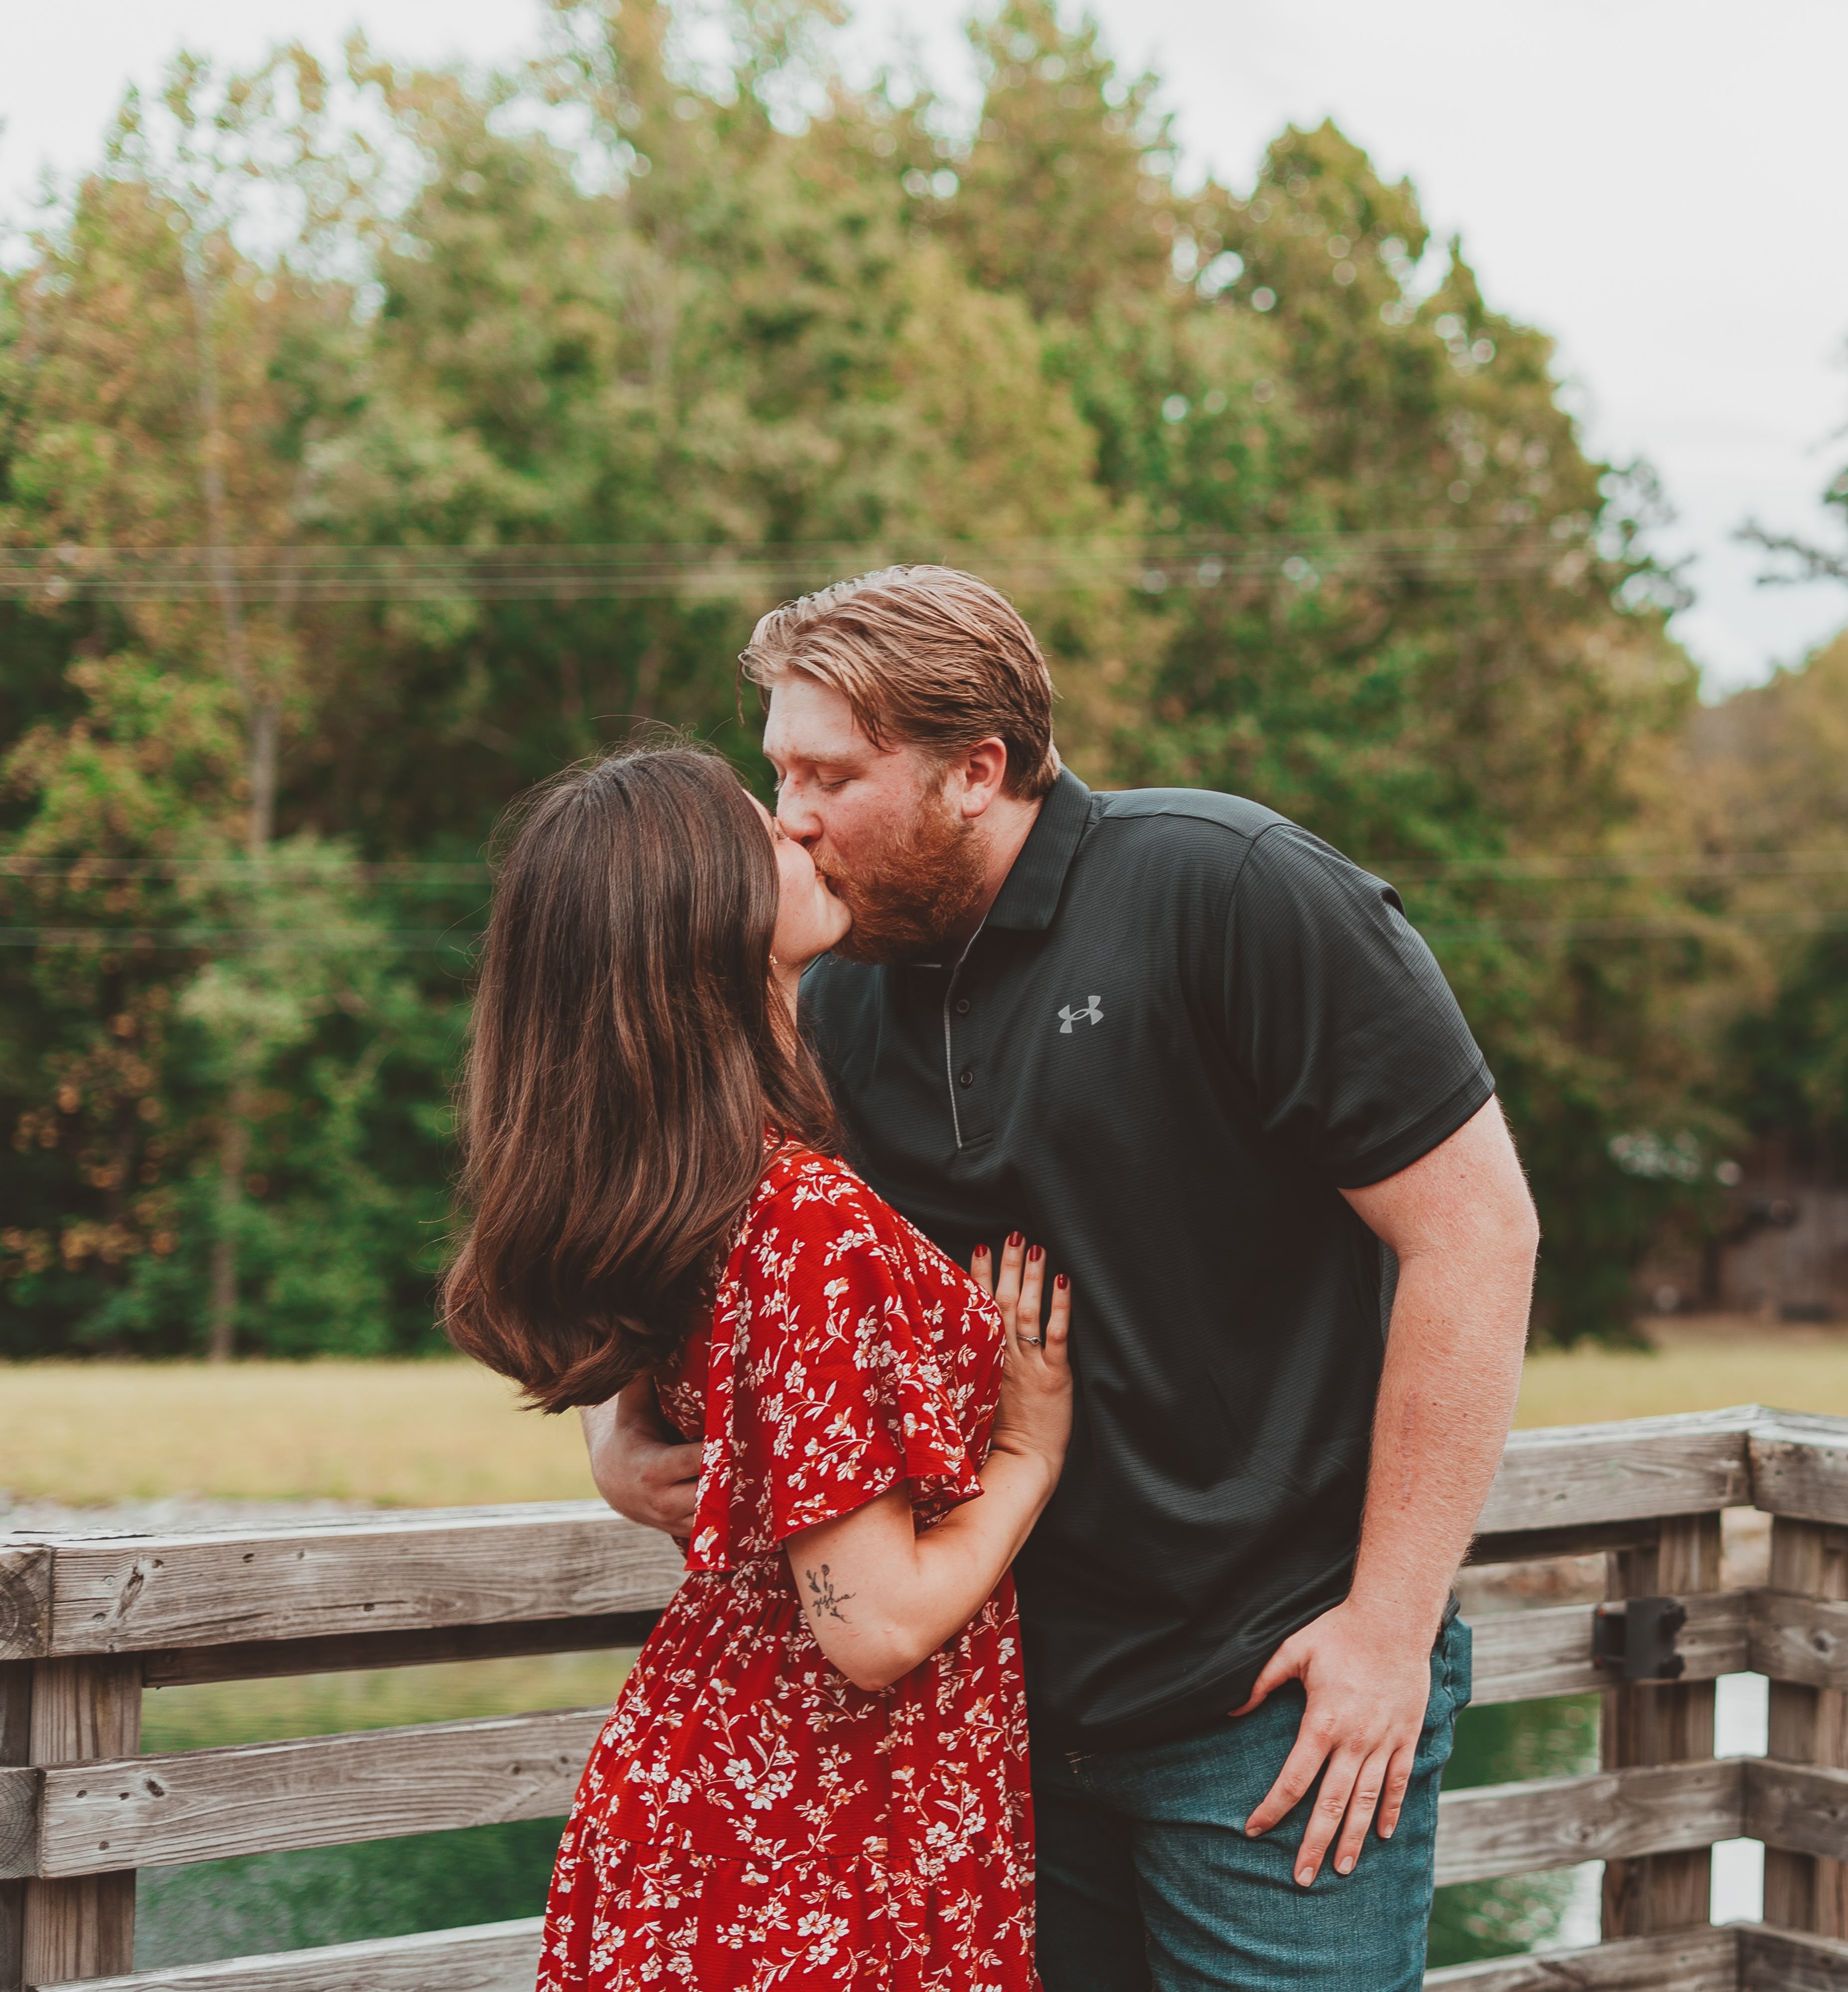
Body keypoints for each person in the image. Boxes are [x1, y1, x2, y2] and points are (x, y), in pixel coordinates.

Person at [585, 565, 1540, 1992]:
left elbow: (1478, 1233)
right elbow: (713, 1248)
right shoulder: (833, 992)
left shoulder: (1232, 890)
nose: (788, 818)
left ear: (975, 772)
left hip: (1267, 1706)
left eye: (829, 775)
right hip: (992, 1716)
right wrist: (620, 1430)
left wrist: (1389, 1633)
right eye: (779, 770)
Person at [441, 744, 1075, 1992]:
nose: (799, 829)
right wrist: (1027, 1451)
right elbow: (877, 1624)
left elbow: (670, 1383)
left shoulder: (681, 1188)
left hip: (717, 1803)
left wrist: (618, 1445)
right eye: (762, 832)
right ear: (705, 924)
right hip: (818, 1835)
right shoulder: (801, 1218)